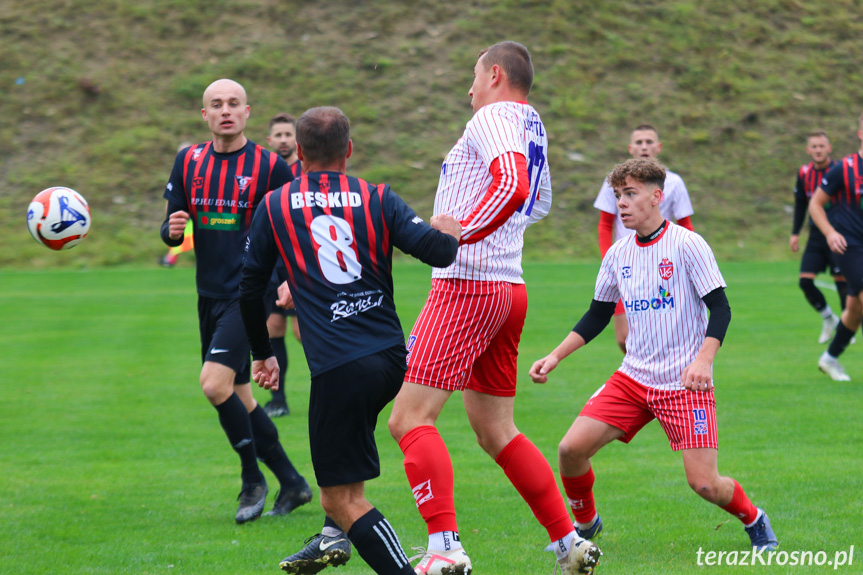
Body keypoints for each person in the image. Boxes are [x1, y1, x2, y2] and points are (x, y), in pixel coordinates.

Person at [387, 41, 601, 575]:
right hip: (508, 287)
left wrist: (457, 236)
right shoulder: (532, 123)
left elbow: (515, 184)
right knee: (495, 430)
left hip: (468, 286)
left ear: (497, 74)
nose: (469, 88)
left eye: (474, 75)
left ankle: (445, 547)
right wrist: (487, 227)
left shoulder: (496, 114)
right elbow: (537, 201)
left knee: (409, 418)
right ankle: (568, 541)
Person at [239, 106, 462, 575]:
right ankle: (329, 539)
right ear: (350, 150)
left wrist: (263, 354)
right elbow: (438, 251)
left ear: (298, 153)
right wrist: (449, 230)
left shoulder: (276, 204)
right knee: (344, 468)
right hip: (388, 359)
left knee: (341, 497)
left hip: (339, 368)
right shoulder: (377, 197)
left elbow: (248, 287)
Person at [529, 157, 778, 553]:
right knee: (570, 449)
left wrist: (703, 360)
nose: (621, 204)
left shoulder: (688, 244)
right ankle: (586, 523)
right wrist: (555, 356)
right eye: (617, 196)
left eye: (630, 194)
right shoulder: (617, 254)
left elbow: (722, 308)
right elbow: (597, 314)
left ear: (656, 196)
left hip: (685, 383)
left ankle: (754, 518)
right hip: (633, 379)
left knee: (705, 484)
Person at [160, 78, 311, 523]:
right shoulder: (188, 161)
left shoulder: (270, 167)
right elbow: (171, 224)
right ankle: (293, 482)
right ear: (204, 116)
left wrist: (289, 281)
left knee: (213, 384)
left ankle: (251, 480)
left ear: (247, 112)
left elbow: (293, 232)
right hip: (207, 294)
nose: (225, 110)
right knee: (240, 397)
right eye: (216, 105)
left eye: (233, 103)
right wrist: (170, 231)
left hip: (248, 295)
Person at [593, 124, 694, 353]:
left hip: (661, 264)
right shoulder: (615, 182)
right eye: (639, 142)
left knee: (659, 332)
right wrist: (607, 261)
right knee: (624, 338)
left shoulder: (674, 182)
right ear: (631, 148)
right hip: (625, 264)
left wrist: (688, 260)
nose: (644, 146)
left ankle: (656, 378)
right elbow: (605, 224)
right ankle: (639, 373)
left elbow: (685, 224)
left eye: (649, 142)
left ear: (658, 148)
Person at [809, 112, 863, 381]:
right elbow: (815, 204)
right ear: (860, 133)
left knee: (854, 308)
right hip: (850, 246)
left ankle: (829, 359)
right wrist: (830, 232)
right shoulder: (845, 167)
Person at [262, 113, 303, 417]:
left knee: (304, 332)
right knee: (273, 328)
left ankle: (332, 389)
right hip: (270, 262)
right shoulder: (261, 172)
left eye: (288, 134)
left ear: (296, 141)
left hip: (300, 262)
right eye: (278, 135)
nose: (283, 140)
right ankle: (279, 399)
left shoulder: (307, 172)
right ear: (270, 141)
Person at [790, 130, 846, 344]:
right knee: (805, 281)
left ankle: (844, 329)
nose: (818, 150)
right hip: (815, 236)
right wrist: (795, 233)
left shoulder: (840, 171)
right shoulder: (804, 172)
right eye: (814, 146)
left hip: (837, 233)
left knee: (843, 284)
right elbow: (801, 203)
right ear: (808, 150)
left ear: (829, 148)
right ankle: (828, 318)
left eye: (821, 146)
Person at [160, 142, 195, 267]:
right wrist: (168, 212)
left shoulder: (200, 169)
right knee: (179, 235)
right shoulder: (178, 171)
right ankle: (170, 259)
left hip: (198, 212)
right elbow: (172, 195)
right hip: (184, 213)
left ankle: (170, 259)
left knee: (191, 238)